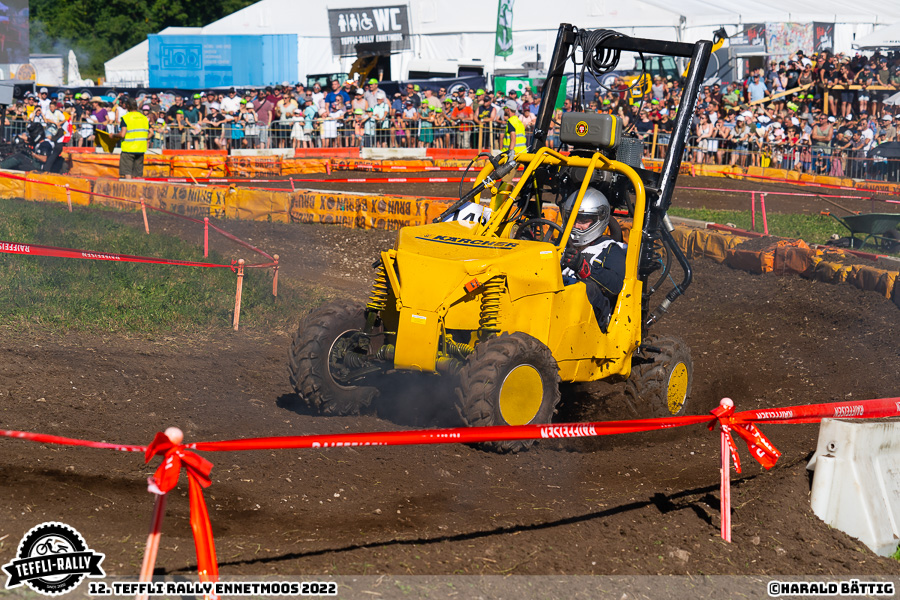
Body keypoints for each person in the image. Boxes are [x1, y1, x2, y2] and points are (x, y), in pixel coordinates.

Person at [558, 188, 627, 332]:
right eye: (573, 219)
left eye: (583, 221)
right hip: (557, 307)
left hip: (594, 317)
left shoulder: (611, 249)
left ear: (598, 220)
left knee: (585, 288)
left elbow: (615, 286)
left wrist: (582, 268)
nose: (577, 226)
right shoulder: (559, 245)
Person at [113, 97, 149, 179]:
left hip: (128, 150)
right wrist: (144, 138)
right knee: (138, 174)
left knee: (127, 172)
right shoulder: (144, 118)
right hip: (140, 149)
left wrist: (113, 135)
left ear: (127, 106)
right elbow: (150, 132)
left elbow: (122, 134)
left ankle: (129, 190)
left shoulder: (126, 118)